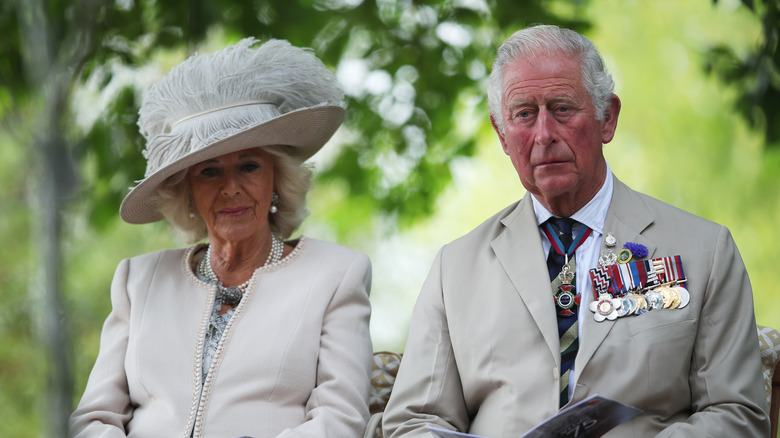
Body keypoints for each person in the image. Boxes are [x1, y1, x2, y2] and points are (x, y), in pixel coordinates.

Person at [382, 24, 770, 437]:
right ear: (502, 134)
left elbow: (737, 414)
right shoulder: (454, 269)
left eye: (563, 108)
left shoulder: (703, 251)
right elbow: (414, 421)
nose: (544, 134)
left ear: (608, 118)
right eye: (524, 114)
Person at [69, 38, 373, 438]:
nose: (231, 187)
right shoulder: (138, 281)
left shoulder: (336, 275)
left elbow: (340, 418)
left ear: (277, 179)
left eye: (248, 166)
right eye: (209, 172)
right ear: (188, 192)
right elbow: (92, 419)